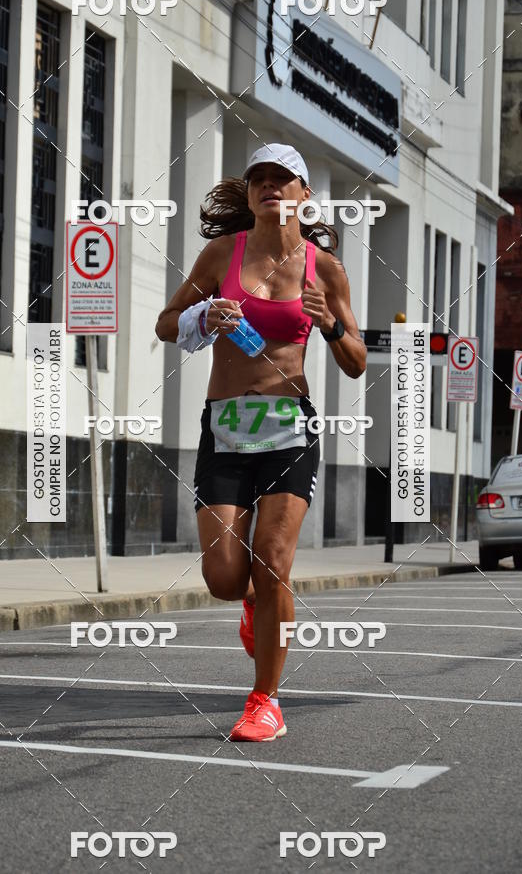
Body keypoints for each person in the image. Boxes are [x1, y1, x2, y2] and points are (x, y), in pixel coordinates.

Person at [155, 143, 366, 741]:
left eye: (282, 178)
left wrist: (329, 325)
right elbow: (166, 323)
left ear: (304, 193)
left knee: (273, 561)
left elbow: (356, 362)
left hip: (289, 429)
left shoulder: (325, 268)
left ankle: (265, 700)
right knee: (226, 577)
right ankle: (255, 601)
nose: (269, 186)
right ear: (249, 194)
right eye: (259, 180)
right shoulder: (223, 253)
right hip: (225, 427)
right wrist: (202, 318)